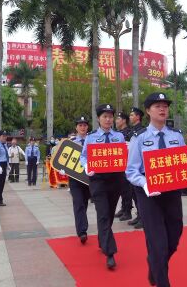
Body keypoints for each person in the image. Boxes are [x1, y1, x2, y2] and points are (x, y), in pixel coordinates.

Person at [126, 92, 185, 287]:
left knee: (174, 239)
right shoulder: (139, 138)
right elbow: (131, 171)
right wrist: (145, 184)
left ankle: (154, 264)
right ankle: (162, 281)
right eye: (157, 106)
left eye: (165, 106)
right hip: (148, 195)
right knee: (158, 245)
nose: (162, 109)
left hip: (172, 193)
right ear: (148, 111)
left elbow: (185, 164)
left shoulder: (176, 136)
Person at [80, 104, 126, 270]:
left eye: (110, 116)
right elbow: (83, 157)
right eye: (104, 116)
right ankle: (110, 253)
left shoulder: (119, 137)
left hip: (115, 179)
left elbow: (123, 156)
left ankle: (103, 238)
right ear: (99, 119)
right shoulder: (91, 137)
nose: (108, 119)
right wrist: (87, 167)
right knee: (103, 214)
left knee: (109, 213)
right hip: (98, 180)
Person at [60, 116, 92, 244]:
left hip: (90, 178)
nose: (82, 127)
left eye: (84, 125)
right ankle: (82, 231)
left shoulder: (93, 140)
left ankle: (82, 224)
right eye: (80, 125)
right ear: (76, 127)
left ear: (87, 127)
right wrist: (62, 169)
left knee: (84, 204)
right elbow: (62, 157)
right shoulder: (70, 142)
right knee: (78, 203)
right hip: (75, 179)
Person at [125, 106, 145, 229]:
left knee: (140, 195)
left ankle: (143, 217)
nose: (130, 117)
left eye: (132, 115)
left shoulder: (142, 130)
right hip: (132, 165)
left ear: (138, 117)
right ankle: (139, 215)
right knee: (134, 194)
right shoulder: (132, 131)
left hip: (140, 167)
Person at [115, 111, 135, 222]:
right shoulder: (117, 133)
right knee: (122, 188)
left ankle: (128, 211)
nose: (116, 121)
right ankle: (123, 208)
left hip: (127, 164)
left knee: (127, 189)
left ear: (123, 120)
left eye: (118, 119)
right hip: (119, 164)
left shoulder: (129, 132)